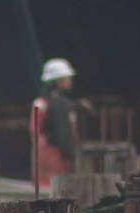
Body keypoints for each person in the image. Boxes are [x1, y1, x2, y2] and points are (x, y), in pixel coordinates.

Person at [30, 58, 93, 187]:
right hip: (56, 156)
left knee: (42, 189)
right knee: (55, 191)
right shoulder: (57, 104)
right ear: (58, 81)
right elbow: (63, 133)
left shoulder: (42, 102)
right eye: (67, 78)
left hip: (42, 154)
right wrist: (72, 155)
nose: (70, 81)